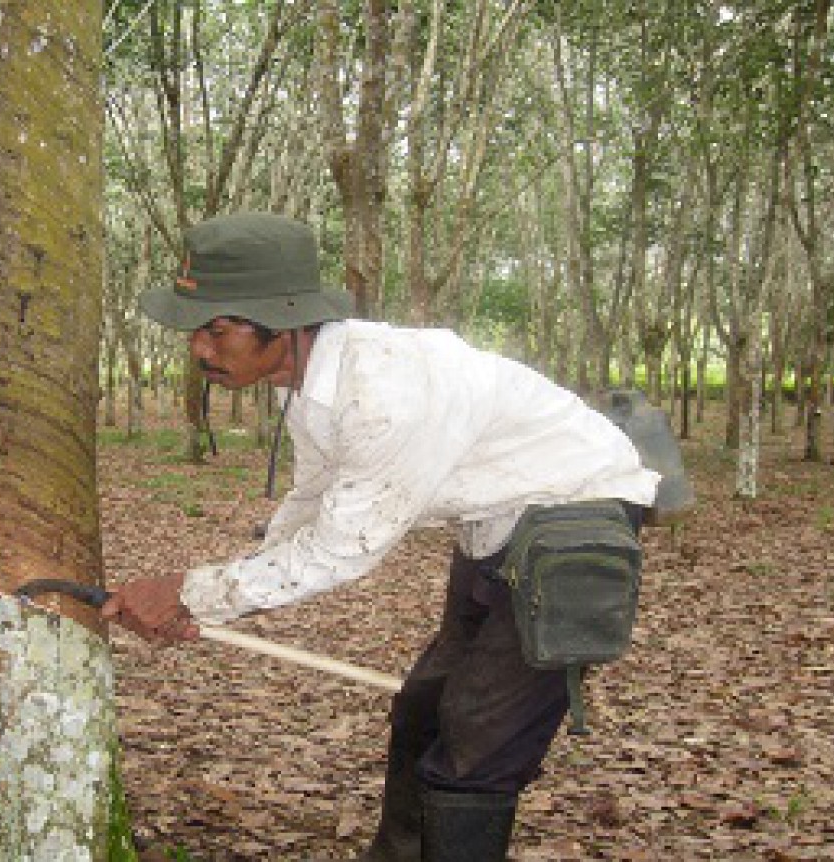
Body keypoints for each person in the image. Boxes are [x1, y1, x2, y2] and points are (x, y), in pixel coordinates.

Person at [102, 212, 659, 861]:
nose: (199, 348)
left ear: (281, 321)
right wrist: (225, 589)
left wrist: (193, 595)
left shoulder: (384, 391)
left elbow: (346, 545)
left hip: (573, 520)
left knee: (477, 741)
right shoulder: (309, 382)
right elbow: (314, 495)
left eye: (218, 328)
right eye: (196, 328)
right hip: (495, 525)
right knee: (425, 707)